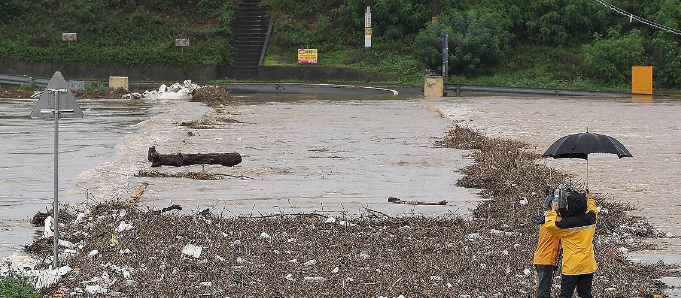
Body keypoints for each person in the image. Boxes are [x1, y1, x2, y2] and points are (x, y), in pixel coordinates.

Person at [544, 190, 598, 298]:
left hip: (572, 266)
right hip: (588, 264)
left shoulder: (566, 224)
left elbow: (550, 226)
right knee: (585, 294)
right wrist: (589, 199)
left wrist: (553, 211)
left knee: (566, 294)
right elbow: (593, 210)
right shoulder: (592, 219)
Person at [533, 195, 562, 298]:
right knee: (544, 291)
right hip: (545, 260)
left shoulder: (546, 218)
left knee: (545, 289)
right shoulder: (553, 220)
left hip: (542, 259)